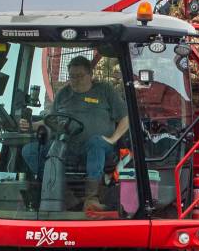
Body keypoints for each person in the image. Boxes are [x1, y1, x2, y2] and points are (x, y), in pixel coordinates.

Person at [20, 55, 129, 212]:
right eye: (72, 76)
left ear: (90, 75)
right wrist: (31, 125)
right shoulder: (63, 94)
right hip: (69, 147)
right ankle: (66, 196)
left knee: (96, 142)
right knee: (29, 151)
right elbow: (50, 119)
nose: (75, 80)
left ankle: (92, 199)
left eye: (79, 76)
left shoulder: (105, 91)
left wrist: (113, 139)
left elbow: (126, 118)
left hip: (100, 148)